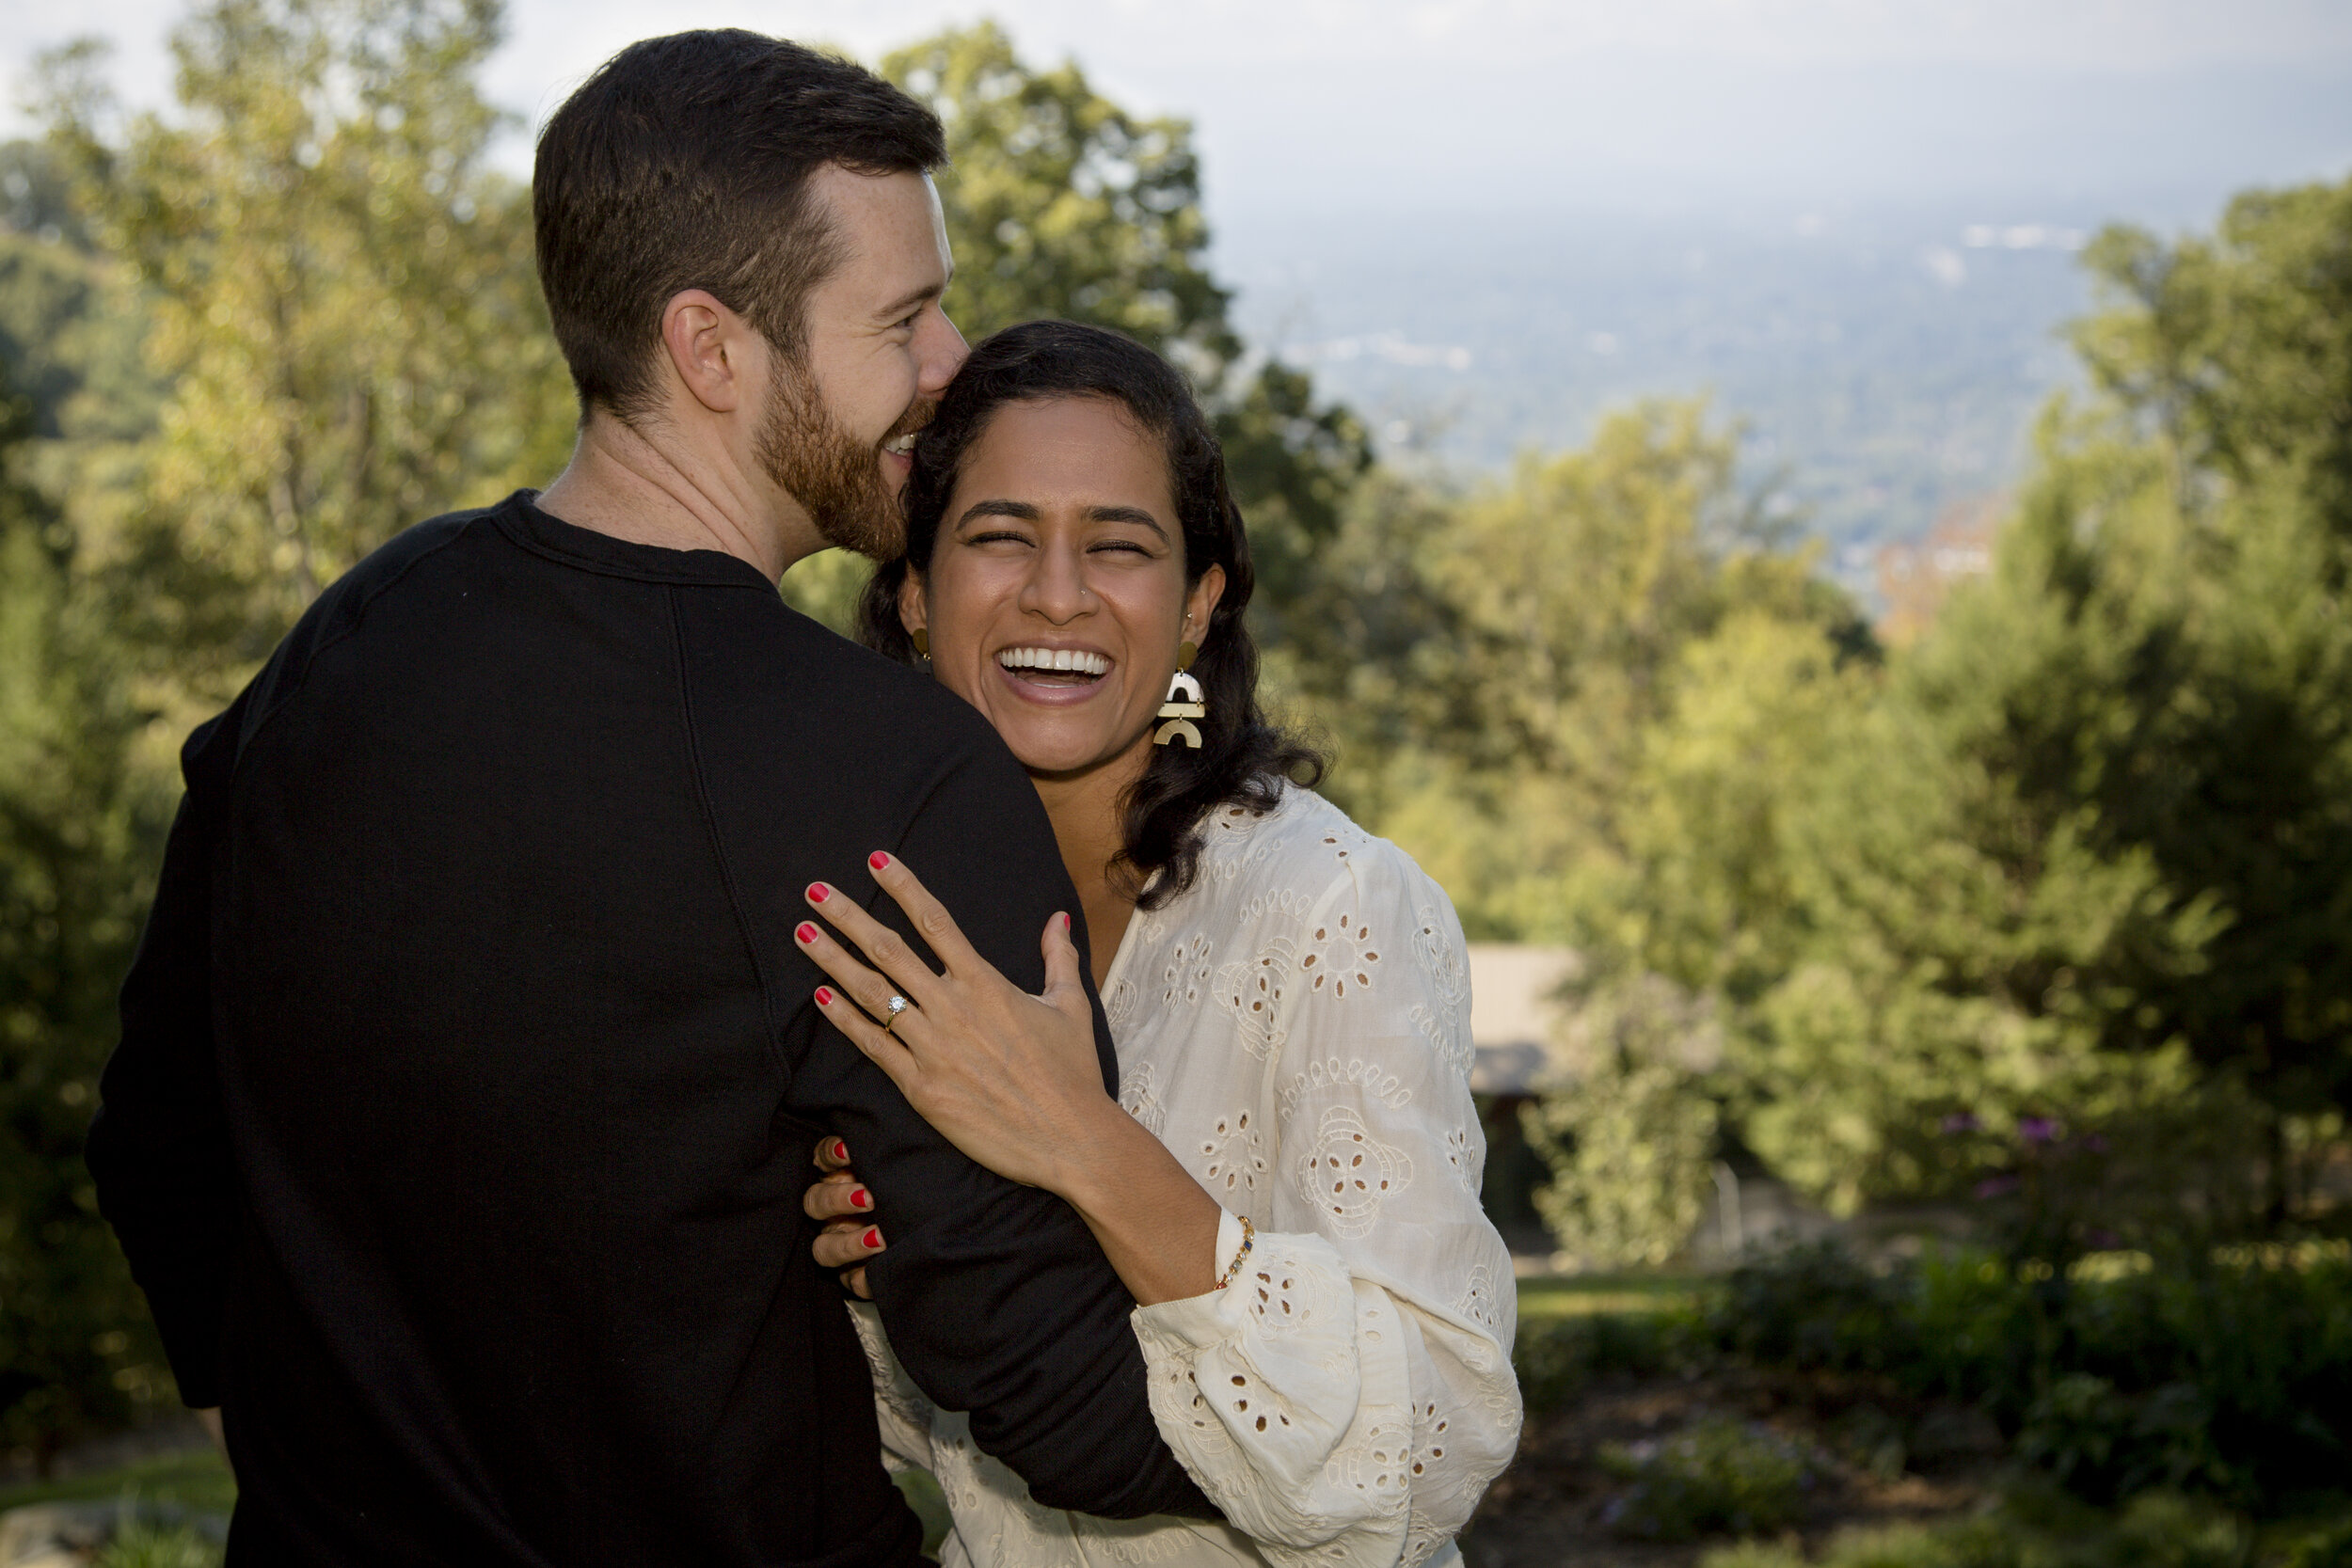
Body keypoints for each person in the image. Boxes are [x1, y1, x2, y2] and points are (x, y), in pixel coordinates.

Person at [85, 35, 1216, 1564]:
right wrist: (1374, 1403)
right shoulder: (886, 773)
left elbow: (158, 1144)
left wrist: (301, 1450)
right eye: (903, 317)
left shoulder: (344, 644)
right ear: (712, 348)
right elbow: (1060, 1402)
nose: (952, 362)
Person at [795, 321, 1522, 1568]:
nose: (1058, 592)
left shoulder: (1329, 909)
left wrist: (1081, 1142)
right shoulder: (893, 930)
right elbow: (937, 1446)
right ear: (915, 591)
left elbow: (1434, 1444)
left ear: (1197, 606)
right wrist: (872, 1284)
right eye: (1000, 535)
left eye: (1119, 546)